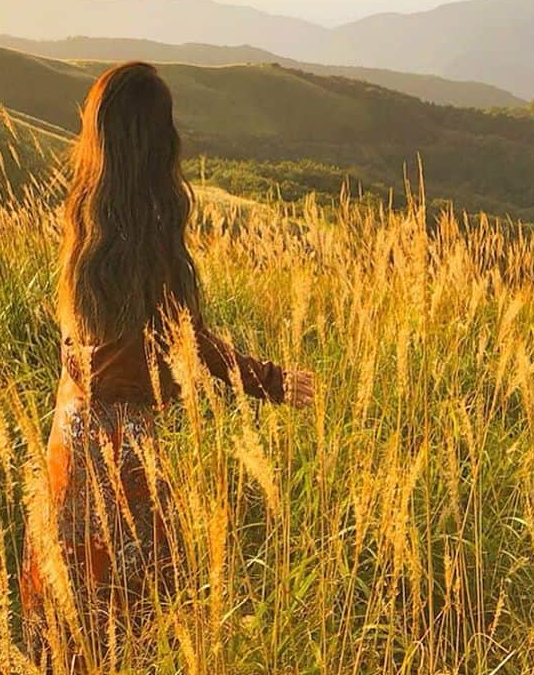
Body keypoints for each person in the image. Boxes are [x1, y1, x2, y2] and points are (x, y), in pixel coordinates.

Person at [19, 61, 314, 670]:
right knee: (133, 614)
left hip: (68, 433)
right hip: (126, 444)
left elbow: (77, 346)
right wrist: (274, 382)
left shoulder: (83, 220)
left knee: (69, 602)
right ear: (159, 143)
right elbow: (194, 345)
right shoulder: (153, 236)